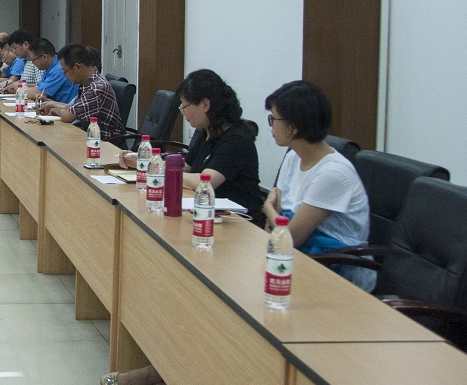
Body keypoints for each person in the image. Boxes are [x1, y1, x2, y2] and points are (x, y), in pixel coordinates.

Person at [263, 80, 373, 290]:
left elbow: (290, 237)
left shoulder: (332, 173)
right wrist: (274, 217)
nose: (271, 126)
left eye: (273, 119)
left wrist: (267, 207)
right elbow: (275, 229)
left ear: (293, 127)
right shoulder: (293, 158)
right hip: (301, 258)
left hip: (339, 270)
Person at [118, 69, 266, 223]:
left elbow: (203, 181)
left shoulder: (236, 140)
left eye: (184, 105)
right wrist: (145, 162)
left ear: (205, 104)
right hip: (207, 214)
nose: (182, 112)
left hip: (238, 222)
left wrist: (160, 172)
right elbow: (186, 167)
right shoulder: (207, 132)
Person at [40, 44, 124, 142]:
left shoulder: (96, 88)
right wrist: (51, 108)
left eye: (65, 71)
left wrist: (56, 110)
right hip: (88, 136)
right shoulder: (88, 82)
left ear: (77, 67)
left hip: (104, 143)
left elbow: (68, 116)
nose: (64, 75)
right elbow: (74, 108)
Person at [31, 38, 77, 105]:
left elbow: (38, 92)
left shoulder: (58, 69)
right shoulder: (49, 68)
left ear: (44, 57)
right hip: (58, 107)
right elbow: (39, 87)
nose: (32, 63)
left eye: (33, 60)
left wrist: (20, 89)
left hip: (65, 109)